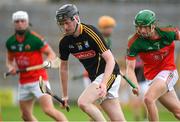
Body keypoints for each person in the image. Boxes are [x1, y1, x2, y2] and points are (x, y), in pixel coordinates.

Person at [56, 4, 125, 121]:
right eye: (62, 24)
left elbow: (110, 59)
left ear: (76, 19)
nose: (65, 27)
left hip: (109, 74)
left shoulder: (91, 32)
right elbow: (63, 68)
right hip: (97, 78)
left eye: (67, 22)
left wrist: (103, 83)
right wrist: (65, 95)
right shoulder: (64, 41)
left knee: (83, 102)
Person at [5, 11, 67, 121]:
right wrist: (11, 68)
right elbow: (9, 61)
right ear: (13, 23)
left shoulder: (35, 39)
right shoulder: (10, 42)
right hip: (23, 82)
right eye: (17, 21)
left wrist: (46, 62)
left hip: (39, 80)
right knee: (26, 116)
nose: (20, 23)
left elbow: (51, 54)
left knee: (48, 110)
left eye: (22, 21)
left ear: (27, 22)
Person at [126, 9, 180, 121]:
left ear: (153, 25)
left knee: (148, 99)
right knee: (177, 112)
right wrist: (134, 85)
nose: (141, 30)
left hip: (168, 71)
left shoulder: (168, 32)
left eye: (144, 27)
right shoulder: (134, 42)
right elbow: (130, 69)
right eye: (138, 27)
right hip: (152, 78)